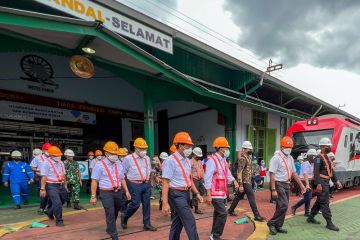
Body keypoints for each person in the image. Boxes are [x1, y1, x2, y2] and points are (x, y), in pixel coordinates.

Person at [162, 132, 203, 240]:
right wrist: (165, 203)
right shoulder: (170, 161)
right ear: (180, 146)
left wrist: (197, 193)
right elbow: (165, 182)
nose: (190, 149)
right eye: (188, 147)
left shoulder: (187, 161)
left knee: (178, 220)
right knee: (190, 220)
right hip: (176, 194)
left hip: (185, 193)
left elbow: (189, 180)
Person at [90, 141, 131, 240]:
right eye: (112, 154)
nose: (115, 156)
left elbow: (122, 178)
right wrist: (93, 196)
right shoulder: (99, 165)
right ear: (106, 153)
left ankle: (109, 228)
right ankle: (114, 235)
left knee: (116, 211)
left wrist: (126, 191)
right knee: (110, 212)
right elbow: (94, 181)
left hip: (118, 192)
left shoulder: (119, 164)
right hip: (106, 193)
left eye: (116, 154)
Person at [267, 136, 306, 236]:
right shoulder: (276, 158)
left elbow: (294, 173)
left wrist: (301, 185)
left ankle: (278, 226)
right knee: (283, 205)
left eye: (290, 147)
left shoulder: (290, 158)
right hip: (278, 183)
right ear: (281, 147)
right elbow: (272, 174)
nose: (288, 149)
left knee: (282, 205)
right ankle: (271, 223)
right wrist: (273, 189)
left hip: (287, 184)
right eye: (286, 147)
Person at [204, 137, 239, 240]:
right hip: (215, 193)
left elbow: (227, 173)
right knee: (223, 213)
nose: (227, 150)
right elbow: (207, 178)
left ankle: (213, 235)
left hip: (222, 193)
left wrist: (234, 181)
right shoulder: (212, 160)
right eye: (226, 147)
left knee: (218, 213)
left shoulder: (223, 160)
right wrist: (208, 194)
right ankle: (216, 236)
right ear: (220, 148)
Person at [307, 137, 342, 231]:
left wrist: (336, 181)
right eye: (327, 146)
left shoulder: (327, 157)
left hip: (326, 182)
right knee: (325, 202)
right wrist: (318, 184)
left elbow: (331, 171)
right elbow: (316, 171)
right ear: (322, 147)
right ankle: (329, 223)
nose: (329, 148)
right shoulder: (318, 158)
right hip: (322, 183)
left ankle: (310, 217)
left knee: (319, 201)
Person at [121, 138, 157, 231]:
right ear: (136, 148)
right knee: (135, 204)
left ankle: (147, 224)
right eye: (141, 149)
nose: (144, 151)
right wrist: (126, 188)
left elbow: (148, 170)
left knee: (146, 204)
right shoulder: (128, 159)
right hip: (134, 184)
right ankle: (124, 217)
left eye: (145, 149)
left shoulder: (147, 158)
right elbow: (122, 173)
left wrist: (150, 181)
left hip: (146, 183)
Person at [228, 141, 264, 222]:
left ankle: (230, 210)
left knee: (237, 197)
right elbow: (239, 172)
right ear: (244, 149)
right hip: (244, 182)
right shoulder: (242, 159)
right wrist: (240, 185)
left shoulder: (249, 157)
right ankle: (257, 215)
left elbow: (251, 171)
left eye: (250, 148)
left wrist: (257, 179)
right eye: (248, 149)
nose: (250, 150)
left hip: (248, 181)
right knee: (251, 198)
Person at [40, 146, 68, 227]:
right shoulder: (46, 163)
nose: (59, 157)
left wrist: (65, 185)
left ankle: (49, 211)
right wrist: (42, 189)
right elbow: (44, 177)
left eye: (59, 155)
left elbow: (64, 174)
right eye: (56, 155)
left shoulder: (61, 162)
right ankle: (59, 220)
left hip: (61, 184)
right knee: (57, 203)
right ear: (51, 155)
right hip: (51, 185)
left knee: (63, 200)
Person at [291, 149, 317, 217]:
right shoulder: (305, 163)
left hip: (310, 181)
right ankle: (294, 207)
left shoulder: (313, 164)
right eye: (313, 156)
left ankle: (306, 212)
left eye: (315, 156)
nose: (314, 157)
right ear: (308, 156)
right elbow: (305, 174)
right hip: (304, 181)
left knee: (307, 197)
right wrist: (307, 184)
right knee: (309, 197)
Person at [30, 143, 52, 214]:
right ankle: (42, 207)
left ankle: (49, 208)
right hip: (42, 177)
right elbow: (32, 166)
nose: (48, 151)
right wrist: (38, 170)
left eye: (49, 149)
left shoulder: (53, 157)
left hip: (51, 178)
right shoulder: (38, 158)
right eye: (47, 149)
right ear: (43, 150)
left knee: (51, 193)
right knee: (43, 193)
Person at [190, 147, 206, 214]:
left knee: (203, 191)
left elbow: (202, 170)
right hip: (194, 180)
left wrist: (203, 178)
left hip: (200, 179)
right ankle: (196, 209)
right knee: (195, 194)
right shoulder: (190, 162)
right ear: (194, 154)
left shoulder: (200, 161)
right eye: (198, 155)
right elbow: (189, 172)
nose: (199, 157)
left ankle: (192, 202)